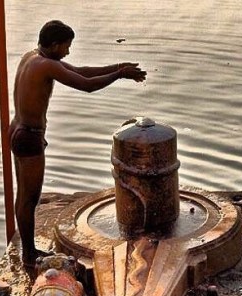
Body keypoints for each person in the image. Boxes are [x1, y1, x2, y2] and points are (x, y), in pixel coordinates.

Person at [9, 19, 147, 268]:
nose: (68, 51)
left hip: (18, 131)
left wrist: (117, 67)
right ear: (54, 45)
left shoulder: (33, 57)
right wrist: (118, 75)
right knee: (30, 198)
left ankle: (28, 251)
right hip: (28, 137)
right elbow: (86, 85)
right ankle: (29, 255)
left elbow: (80, 71)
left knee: (23, 197)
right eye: (66, 47)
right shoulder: (45, 65)